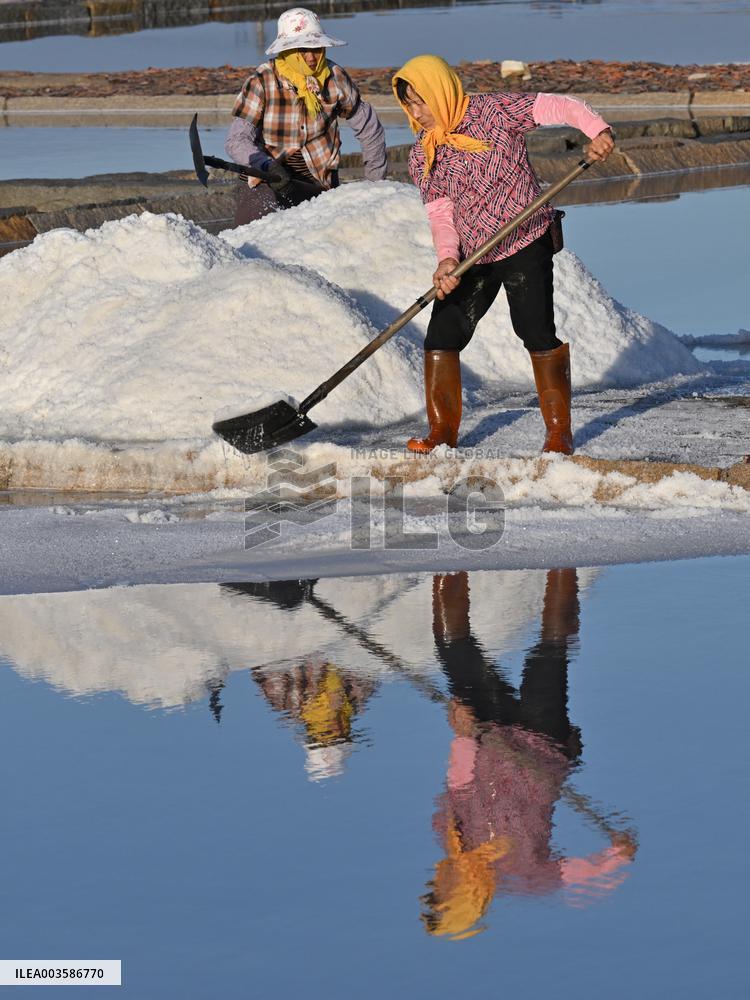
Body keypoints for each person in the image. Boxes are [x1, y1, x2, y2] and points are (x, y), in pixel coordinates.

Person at [392, 55, 615, 454]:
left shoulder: (494, 111)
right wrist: (447, 258)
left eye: (422, 100)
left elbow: (560, 106)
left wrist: (596, 131)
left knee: (534, 329)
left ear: (441, 91)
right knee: (442, 334)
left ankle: (558, 433)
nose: (416, 112)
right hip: (473, 253)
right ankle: (442, 431)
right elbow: (441, 213)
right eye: (409, 104)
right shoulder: (424, 153)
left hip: (523, 237)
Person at [421, 571, 637, 939]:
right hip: (543, 742)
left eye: (433, 889)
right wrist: (617, 856)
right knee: (550, 648)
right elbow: (576, 874)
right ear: (463, 898)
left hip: (489, 731)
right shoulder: (525, 876)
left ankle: (452, 560)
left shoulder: (451, 837)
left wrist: (463, 734)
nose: (436, 881)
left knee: (451, 643)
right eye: (439, 893)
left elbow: (460, 784)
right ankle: (563, 556)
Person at [225, 7, 387, 225]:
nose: (311, 57)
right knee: (253, 226)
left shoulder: (335, 78)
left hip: (317, 181)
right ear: (288, 50)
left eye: (317, 48)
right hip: (266, 179)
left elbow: (369, 127)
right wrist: (266, 166)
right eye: (303, 50)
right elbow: (236, 140)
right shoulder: (262, 81)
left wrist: (375, 183)